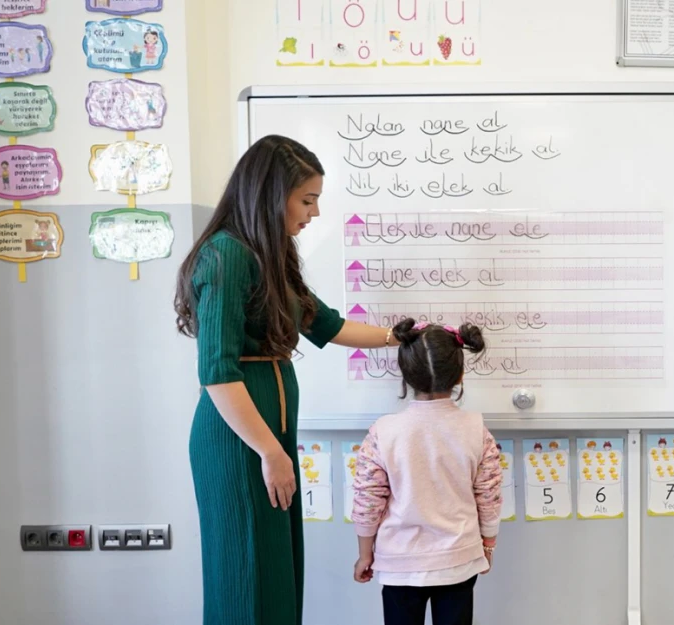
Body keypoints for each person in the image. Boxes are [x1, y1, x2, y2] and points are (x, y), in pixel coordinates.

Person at [174, 135, 398, 625]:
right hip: (240, 441)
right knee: (245, 571)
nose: (314, 212)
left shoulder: (270, 256)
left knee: (275, 568)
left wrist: (400, 336)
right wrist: (270, 453)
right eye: (307, 199)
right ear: (271, 194)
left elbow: (329, 325)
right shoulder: (226, 255)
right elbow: (216, 373)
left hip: (265, 439)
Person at [351, 319, 502, 625]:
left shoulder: (384, 432)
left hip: (399, 564)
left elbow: (368, 500)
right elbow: (489, 495)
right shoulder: (476, 429)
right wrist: (487, 545)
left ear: (405, 376)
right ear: (459, 375)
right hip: (458, 559)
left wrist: (366, 553)